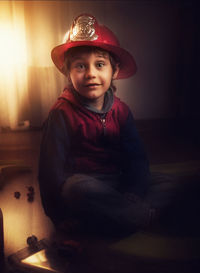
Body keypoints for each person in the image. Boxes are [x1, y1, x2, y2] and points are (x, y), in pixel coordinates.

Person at [38, 14, 152, 237]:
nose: (91, 74)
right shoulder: (61, 113)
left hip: (116, 183)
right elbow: (49, 171)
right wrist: (59, 217)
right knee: (75, 189)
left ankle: (122, 213)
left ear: (114, 71)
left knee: (165, 181)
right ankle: (137, 215)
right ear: (68, 73)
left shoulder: (121, 110)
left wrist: (134, 191)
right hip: (84, 183)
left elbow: (136, 157)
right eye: (80, 66)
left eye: (100, 65)